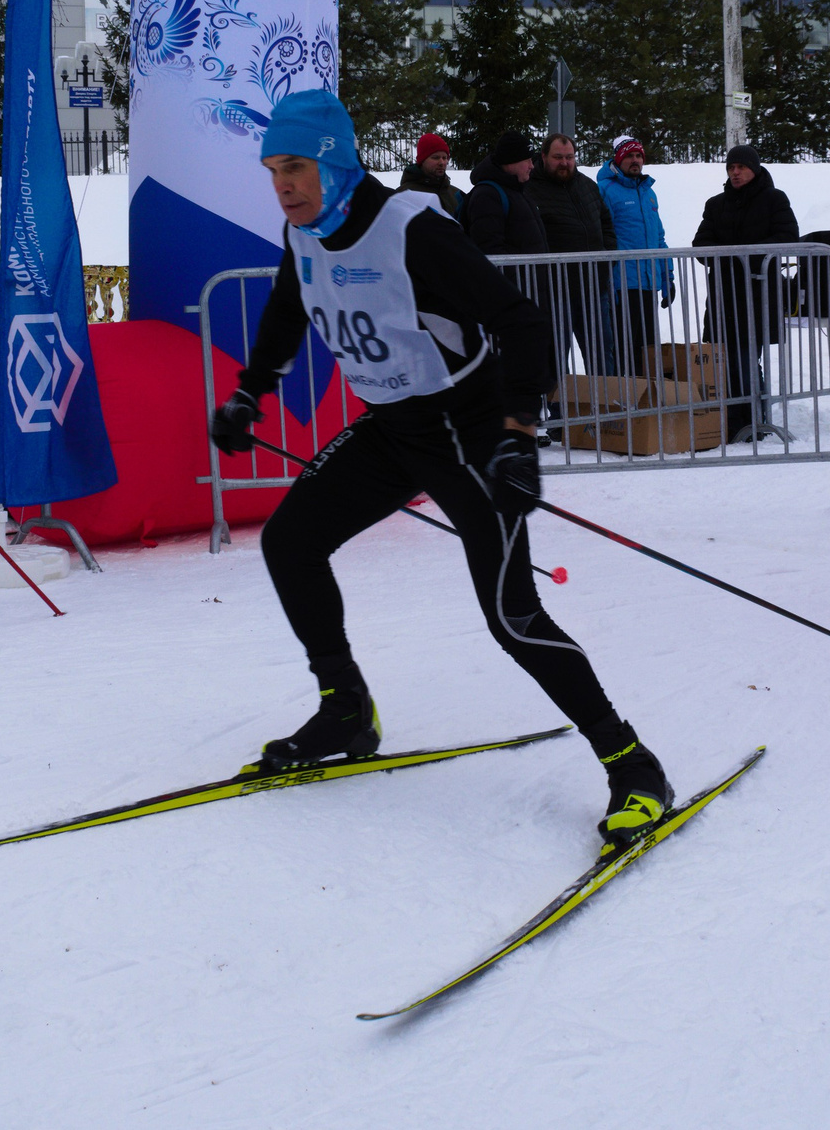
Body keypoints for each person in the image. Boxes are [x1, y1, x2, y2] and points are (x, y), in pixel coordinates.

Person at [207, 91, 672, 856]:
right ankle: (346, 707)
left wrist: (520, 432)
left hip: (470, 433)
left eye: (294, 167)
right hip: (394, 431)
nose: (282, 185)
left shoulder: (411, 228)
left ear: (332, 161)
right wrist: (250, 392)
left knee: (512, 617)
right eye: (272, 171)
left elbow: (522, 320)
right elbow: (290, 310)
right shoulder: (305, 235)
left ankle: (633, 765)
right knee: (290, 541)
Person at [692, 146, 799, 443]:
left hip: (757, 295)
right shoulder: (716, 204)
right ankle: (731, 421)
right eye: (730, 167)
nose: (735, 172)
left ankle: (753, 422)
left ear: (754, 168)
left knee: (747, 360)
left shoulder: (774, 199)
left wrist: (745, 257)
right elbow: (700, 244)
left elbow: (788, 238)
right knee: (721, 360)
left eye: (741, 166)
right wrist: (730, 258)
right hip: (722, 297)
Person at [526, 132, 617, 381]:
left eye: (569, 157)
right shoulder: (530, 188)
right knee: (555, 358)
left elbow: (606, 224)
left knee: (602, 354)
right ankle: (560, 415)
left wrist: (607, 256)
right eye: (558, 157)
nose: (565, 163)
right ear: (543, 157)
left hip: (594, 288)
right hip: (555, 292)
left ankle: (606, 412)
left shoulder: (586, 185)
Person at [594, 134, 671, 379]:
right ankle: (624, 404)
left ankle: (645, 404)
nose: (635, 160)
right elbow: (601, 238)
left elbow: (659, 238)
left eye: (639, 155)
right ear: (618, 159)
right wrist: (607, 280)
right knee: (623, 349)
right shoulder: (605, 190)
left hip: (648, 284)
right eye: (629, 156)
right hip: (621, 286)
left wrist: (667, 275)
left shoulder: (649, 193)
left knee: (647, 349)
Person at [461, 131, 547, 258]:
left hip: (531, 276)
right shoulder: (487, 196)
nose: (532, 166)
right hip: (516, 277)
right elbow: (490, 251)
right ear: (510, 161)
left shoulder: (518, 191)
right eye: (527, 160)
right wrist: (518, 277)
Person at [396, 132, 465, 220]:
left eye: (444, 158)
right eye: (435, 157)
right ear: (422, 161)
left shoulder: (456, 194)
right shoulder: (404, 195)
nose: (442, 163)